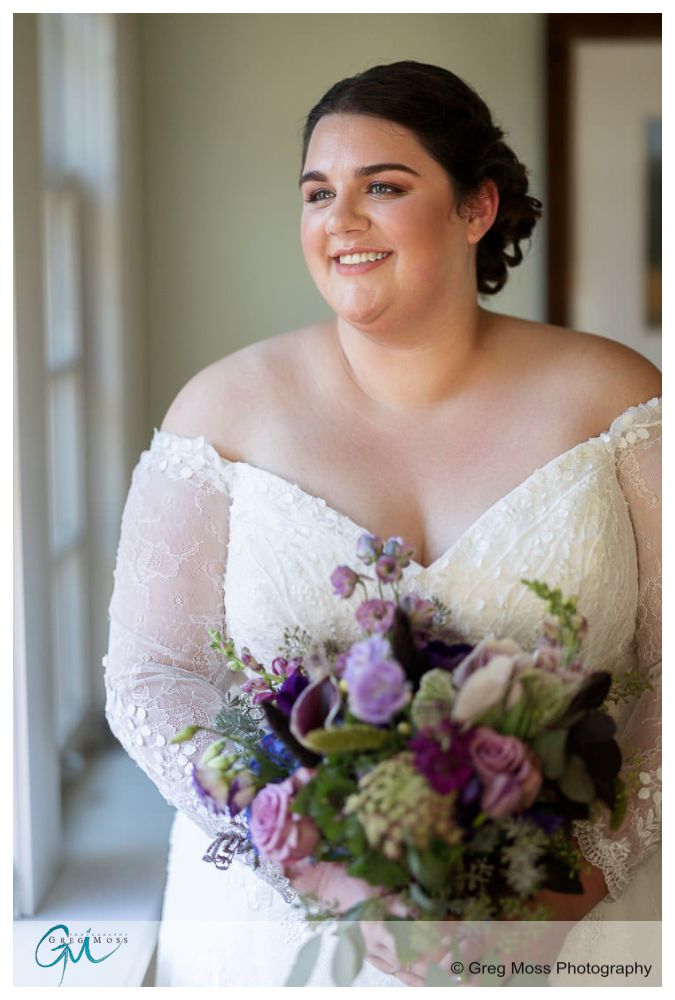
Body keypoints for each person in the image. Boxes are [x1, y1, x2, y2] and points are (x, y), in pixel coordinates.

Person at [103, 61, 661, 987]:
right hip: (280, 934)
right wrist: (318, 869)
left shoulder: (619, 403)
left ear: (475, 209)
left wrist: (574, 882)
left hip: (582, 924)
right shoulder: (220, 414)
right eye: (319, 193)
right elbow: (150, 677)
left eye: (383, 188)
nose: (340, 221)